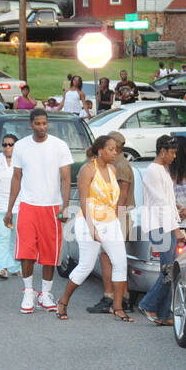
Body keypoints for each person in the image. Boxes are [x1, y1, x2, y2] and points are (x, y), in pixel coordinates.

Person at [54, 135, 130, 321]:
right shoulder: (87, 170)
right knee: (86, 265)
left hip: (110, 221)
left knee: (121, 263)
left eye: (116, 149)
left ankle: (117, 307)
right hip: (89, 221)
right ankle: (63, 301)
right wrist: (92, 228)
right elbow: (84, 201)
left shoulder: (113, 169)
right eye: (111, 149)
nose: (115, 152)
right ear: (100, 150)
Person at [5, 109, 72, 313]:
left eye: (44, 123)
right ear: (31, 124)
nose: (41, 127)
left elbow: (66, 178)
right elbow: (16, 178)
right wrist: (9, 209)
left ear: (47, 123)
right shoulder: (21, 146)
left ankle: (45, 294)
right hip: (28, 205)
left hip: (52, 206)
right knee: (27, 252)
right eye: (38, 124)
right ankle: (28, 292)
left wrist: (65, 206)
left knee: (50, 252)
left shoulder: (59, 146)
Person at [137, 135, 184, 325]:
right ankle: (148, 304)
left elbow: (168, 200)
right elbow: (161, 202)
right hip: (159, 225)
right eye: (172, 153)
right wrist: (176, 229)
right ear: (163, 152)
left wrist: (177, 209)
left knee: (169, 271)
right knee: (168, 271)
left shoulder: (162, 170)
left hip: (166, 224)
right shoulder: (153, 171)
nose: (174, 157)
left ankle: (164, 314)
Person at [89, 130, 137, 315]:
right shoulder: (114, 164)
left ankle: (111, 297)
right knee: (114, 259)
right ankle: (122, 298)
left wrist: (112, 221)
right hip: (114, 215)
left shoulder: (121, 165)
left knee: (109, 258)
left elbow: (122, 197)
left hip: (118, 215)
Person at [0, 132, 22, 280]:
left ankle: (15, 266)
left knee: (15, 237)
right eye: (4, 144)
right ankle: (2, 267)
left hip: (18, 206)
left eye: (11, 144)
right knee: (1, 237)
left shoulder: (21, 161)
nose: (7, 147)